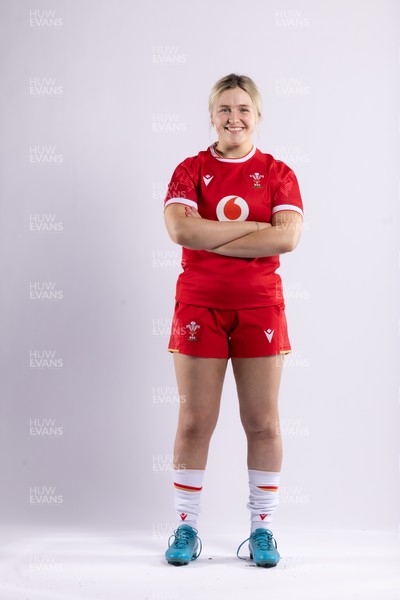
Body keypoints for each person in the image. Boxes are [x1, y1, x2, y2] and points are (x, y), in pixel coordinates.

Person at [162, 73, 303, 568]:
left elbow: (286, 239)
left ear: (258, 115)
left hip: (261, 306)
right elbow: (181, 229)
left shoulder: (279, 173)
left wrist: (212, 235)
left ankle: (262, 531)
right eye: (224, 109)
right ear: (211, 115)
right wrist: (253, 230)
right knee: (195, 420)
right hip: (199, 304)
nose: (234, 118)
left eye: (243, 109)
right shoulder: (189, 170)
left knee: (262, 422)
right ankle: (186, 526)